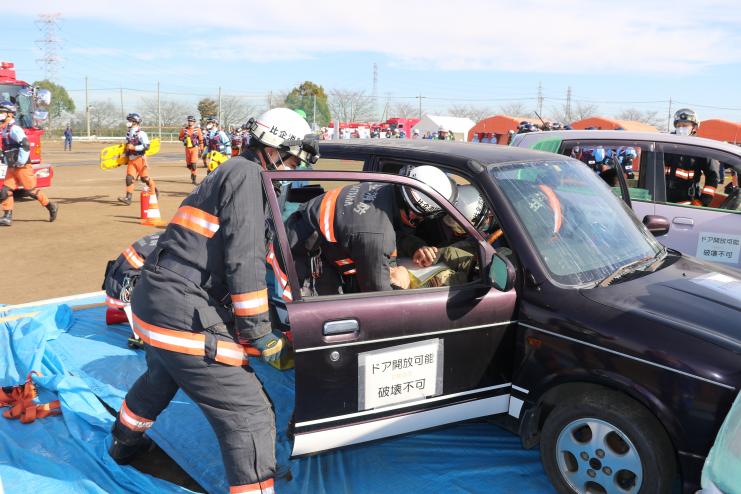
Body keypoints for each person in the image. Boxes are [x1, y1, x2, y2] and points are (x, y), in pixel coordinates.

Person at [108, 108, 319, 494]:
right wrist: (262, 336)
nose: (291, 170)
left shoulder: (230, 171)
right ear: (274, 149)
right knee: (249, 413)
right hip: (181, 309)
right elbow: (245, 260)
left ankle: (123, 443)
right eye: (291, 160)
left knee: (160, 378)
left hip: (156, 299)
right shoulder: (248, 176)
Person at [285, 164, 456, 296]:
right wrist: (400, 282)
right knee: (325, 319)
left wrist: (415, 247)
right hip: (300, 262)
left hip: (307, 239)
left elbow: (394, 227)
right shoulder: (374, 235)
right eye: (421, 218)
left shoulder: (385, 190)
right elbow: (379, 296)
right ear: (413, 213)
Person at [0, 101, 58, 226]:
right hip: (11, 166)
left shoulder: (15, 129)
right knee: (5, 191)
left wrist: (20, 161)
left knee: (30, 191)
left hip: (22, 167)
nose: (0, 115)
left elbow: (25, 144)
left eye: (2, 112)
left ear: (10, 114)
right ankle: (7, 216)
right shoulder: (4, 130)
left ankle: (50, 206)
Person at [666, 108, 720, 206]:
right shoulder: (665, 144)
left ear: (694, 127)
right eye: (678, 125)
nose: (681, 128)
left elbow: (713, 176)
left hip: (688, 203)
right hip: (661, 199)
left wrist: (702, 202)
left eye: (685, 125)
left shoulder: (701, 148)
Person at [118, 113, 157, 206]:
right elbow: (128, 146)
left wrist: (134, 148)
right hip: (131, 160)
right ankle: (128, 198)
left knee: (144, 179)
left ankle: (154, 191)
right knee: (129, 178)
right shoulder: (129, 133)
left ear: (135, 122)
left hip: (140, 159)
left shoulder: (141, 133)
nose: (128, 122)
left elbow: (146, 146)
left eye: (130, 121)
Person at [179, 116, 204, 185]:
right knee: (189, 165)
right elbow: (180, 138)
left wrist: (201, 149)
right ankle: (192, 172)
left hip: (195, 148)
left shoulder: (197, 129)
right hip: (187, 149)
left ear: (194, 122)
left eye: (191, 121)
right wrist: (184, 137)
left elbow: (201, 140)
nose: (190, 122)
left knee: (193, 164)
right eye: (189, 121)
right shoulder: (184, 130)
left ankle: (194, 178)